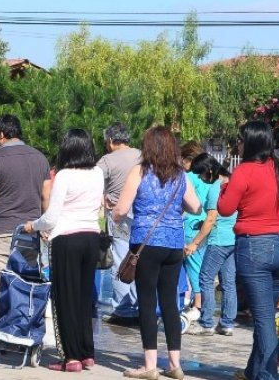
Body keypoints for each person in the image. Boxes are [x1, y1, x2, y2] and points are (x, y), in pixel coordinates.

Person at [113, 126, 202, 380]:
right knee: (170, 304)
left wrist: (114, 215)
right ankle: (175, 364)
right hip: (174, 245)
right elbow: (196, 207)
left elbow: (121, 209)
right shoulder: (179, 175)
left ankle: (150, 366)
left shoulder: (139, 172)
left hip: (145, 244)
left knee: (148, 303)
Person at [217, 121, 279, 380]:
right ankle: (255, 370)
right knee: (266, 315)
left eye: (240, 140)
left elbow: (225, 208)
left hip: (256, 247)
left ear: (250, 142)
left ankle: (268, 376)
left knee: (263, 319)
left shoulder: (244, 171)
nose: (238, 145)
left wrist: (224, 189)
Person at [23, 129, 103, 372]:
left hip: (67, 239)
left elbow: (51, 216)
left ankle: (71, 357)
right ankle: (86, 351)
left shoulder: (65, 175)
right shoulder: (97, 172)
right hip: (91, 238)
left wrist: (33, 226)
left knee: (65, 300)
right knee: (82, 297)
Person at [0, 114, 51, 346]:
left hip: (0, 231)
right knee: (23, 283)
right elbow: (46, 196)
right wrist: (45, 226)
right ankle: (20, 332)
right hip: (29, 234)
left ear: (1, 135)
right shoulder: (40, 158)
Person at [186, 153, 236, 337]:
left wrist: (195, 243)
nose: (200, 178)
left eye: (201, 174)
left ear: (209, 171)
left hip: (217, 240)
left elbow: (211, 218)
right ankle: (227, 324)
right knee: (228, 283)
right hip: (233, 239)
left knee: (205, 279)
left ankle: (206, 322)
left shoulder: (217, 186)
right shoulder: (233, 182)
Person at [97, 122, 142, 325]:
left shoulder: (107, 160)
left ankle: (123, 309)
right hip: (141, 215)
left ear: (110, 140)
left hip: (118, 215)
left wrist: (103, 197)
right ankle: (138, 303)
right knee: (138, 260)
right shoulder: (141, 155)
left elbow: (94, 183)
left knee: (120, 260)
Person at [179, 141, 207, 326]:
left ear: (189, 159)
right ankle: (196, 303)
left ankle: (197, 306)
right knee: (199, 266)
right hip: (202, 225)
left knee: (192, 268)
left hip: (189, 225)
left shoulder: (189, 176)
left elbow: (183, 202)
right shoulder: (206, 177)